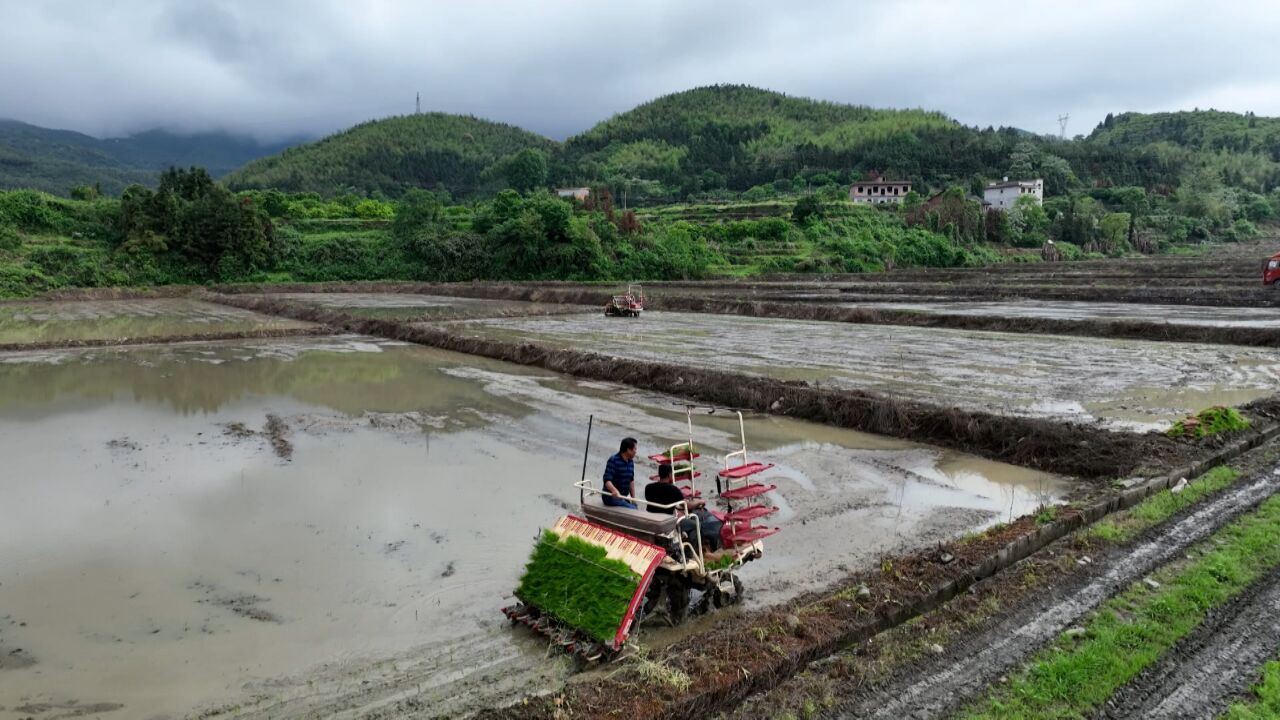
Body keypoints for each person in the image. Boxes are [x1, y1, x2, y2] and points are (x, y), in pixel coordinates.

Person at [645, 463, 723, 551]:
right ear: (670, 475)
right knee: (695, 524)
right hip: (667, 524)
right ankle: (693, 551)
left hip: (652, 520)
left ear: (659, 474)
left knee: (682, 517)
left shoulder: (648, 488)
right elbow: (688, 506)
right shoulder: (673, 490)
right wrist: (699, 501)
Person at [602, 437, 639, 509]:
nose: (636, 451)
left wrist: (633, 499)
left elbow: (631, 480)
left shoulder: (630, 462)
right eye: (635, 449)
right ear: (628, 450)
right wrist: (614, 490)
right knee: (633, 509)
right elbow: (607, 480)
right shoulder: (613, 460)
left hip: (623, 497)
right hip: (611, 497)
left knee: (635, 507)